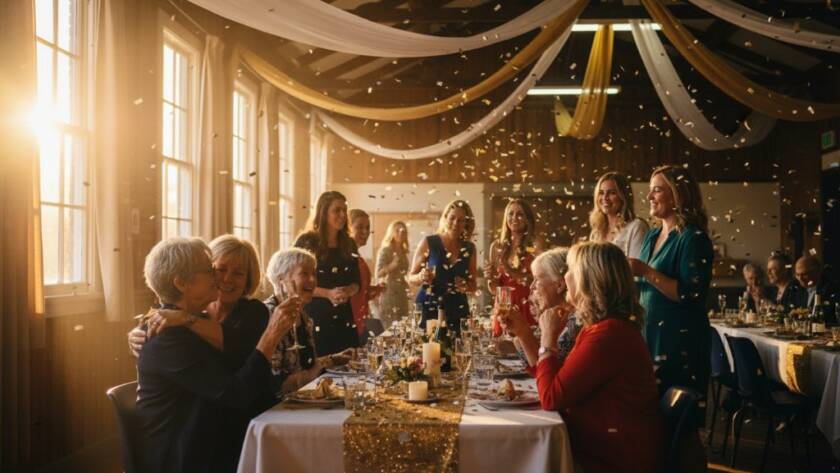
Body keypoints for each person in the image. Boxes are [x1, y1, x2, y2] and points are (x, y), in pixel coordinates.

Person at [136, 237, 295, 473]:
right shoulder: (168, 337)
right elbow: (236, 394)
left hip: (210, 438)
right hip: (187, 456)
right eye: (211, 270)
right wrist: (272, 335)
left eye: (237, 273)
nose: (219, 278)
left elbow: (235, 351)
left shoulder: (186, 325)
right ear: (181, 283)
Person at [535, 241, 665, 473]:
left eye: (571, 270)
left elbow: (551, 397)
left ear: (588, 279)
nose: (565, 278)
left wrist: (547, 339)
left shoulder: (608, 334)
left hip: (611, 459)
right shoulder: (599, 328)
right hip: (598, 447)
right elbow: (561, 381)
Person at [628, 165, 713, 402]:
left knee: (679, 418)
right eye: (650, 190)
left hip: (679, 341)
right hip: (650, 336)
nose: (649, 197)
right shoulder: (653, 235)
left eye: (657, 190)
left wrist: (644, 270)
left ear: (678, 194)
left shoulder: (693, 237)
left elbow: (690, 294)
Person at [264, 248, 355, 393]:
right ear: (282, 281)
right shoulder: (268, 315)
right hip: (276, 409)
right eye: (304, 274)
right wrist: (315, 373)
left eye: (314, 273)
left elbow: (304, 366)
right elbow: (275, 382)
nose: (313, 280)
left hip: (302, 400)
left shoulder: (304, 317)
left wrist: (333, 359)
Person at [294, 191, 361, 355]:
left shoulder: (349, 243)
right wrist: (328, 293)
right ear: (323, 213)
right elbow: (296, 283)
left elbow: (356, 281)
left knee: (348, 369)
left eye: (344, 210)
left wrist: (348, 291)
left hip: (343, 318)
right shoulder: (307, 242)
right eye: (336, 210)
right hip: (313, 315)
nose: (342, 215)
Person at [498, 247, 580, 369]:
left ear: (559, 285)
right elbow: (540, 371)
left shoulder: (575, 323)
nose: (531, 287)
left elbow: (549, 377)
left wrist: (524, 333)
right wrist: (522, 331)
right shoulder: (557, 318)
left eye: (537, 279)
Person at [408, 200, 477, 336]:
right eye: (452, 218)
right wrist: (421, 276)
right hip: (429, 307)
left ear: (467, 224)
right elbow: (410, 278)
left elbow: (473, 285)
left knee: (457, 352)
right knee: (427, 354)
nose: (456, 223)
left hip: (457, 309)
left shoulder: (470, 248)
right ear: (445, 218)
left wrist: (465, 286)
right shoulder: (429, 242)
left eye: (461, 220)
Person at [484, 198, 539, 337]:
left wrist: (508, 269)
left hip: (526, 307)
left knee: (526, 351)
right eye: (511, 214)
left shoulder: (535, 244)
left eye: (520, 214)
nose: (514, 218)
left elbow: (534, 280)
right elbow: (494, 290)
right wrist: (490, 278)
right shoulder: (496, 246)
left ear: (528, 219)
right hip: (504, 310)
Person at [588, 171, 649, 258]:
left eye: (612, 193)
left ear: (623, 197)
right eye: (601, 193)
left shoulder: (636, 227)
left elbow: (637, 267)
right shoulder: (597, 231)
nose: (605, 198)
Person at [348, 209, 384, 341]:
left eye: (367, 227)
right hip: (349, 323)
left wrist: (373, 291)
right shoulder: (345, 257)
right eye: (359, 227)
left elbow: (358, 291)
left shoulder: (358, 257)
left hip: (360, 321)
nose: (365, 231)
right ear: (348, 228)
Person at [375, 220, 411, 329]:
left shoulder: (403, 252)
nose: (401, 233)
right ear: (392, 233)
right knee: (390, 330)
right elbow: (378, 273)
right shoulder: (386, 250)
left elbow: (403, 273)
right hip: (389, 295)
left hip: (402, 295)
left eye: (403, 231)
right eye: (397, 231)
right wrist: (391, 265)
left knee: (402, 329)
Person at [795, 255, 839, 324]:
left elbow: (829, 315)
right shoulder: (799, 289)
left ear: (817, 272)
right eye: (797, 275)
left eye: (804, 274)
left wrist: (806, 312)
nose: (800, 279)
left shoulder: (831, 288)